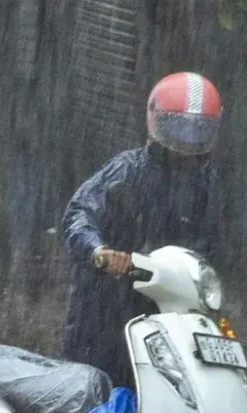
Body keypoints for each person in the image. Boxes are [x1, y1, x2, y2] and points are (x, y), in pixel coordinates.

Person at [60, 72, 224, 387]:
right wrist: (100, 252)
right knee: (95, 393)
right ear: (157, 121)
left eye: (198, 129)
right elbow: (79, 213)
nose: (187, 138)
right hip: (107, 306)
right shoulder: (128, 169)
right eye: (179, 126)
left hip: (169, 307)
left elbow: (209, 242)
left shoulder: (206, 183)